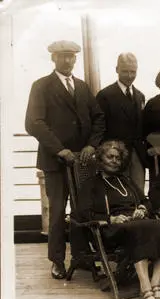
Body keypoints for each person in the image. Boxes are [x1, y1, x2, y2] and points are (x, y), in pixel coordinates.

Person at [25, 40, 105, 280]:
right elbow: (34, 123)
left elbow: (99, 117)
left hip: (82, 163)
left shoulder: (81, 87)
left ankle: (80, 257)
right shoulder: (41, 86)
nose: (67, 61)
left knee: (82, 211)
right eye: (62, 56)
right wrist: (60, 150)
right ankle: (57, 261)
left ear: (75, 59)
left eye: (71, 56)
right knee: (58, 212)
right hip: (55, 163)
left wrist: (92, 145)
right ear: (53, 59)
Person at [73, 140, 160, 299]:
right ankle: (146, 289)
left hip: (135, 223)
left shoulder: (126, 181)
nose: (114, 161)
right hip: (109, 230)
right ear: (100, 160)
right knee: (139, 229)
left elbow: (146, 201)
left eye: (117, 158)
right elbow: (83, 212)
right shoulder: (91, 184)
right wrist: (111, 219)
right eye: (110, 157)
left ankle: (156, 285)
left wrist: (141, 208)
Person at [96, 53, 147, 189]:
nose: (130, 75)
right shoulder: (105, 95)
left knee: (138, 191)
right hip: (115, 154)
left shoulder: (140, 96)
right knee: (117, 192)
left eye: (133, 72)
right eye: (125, 71)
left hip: (136, 154)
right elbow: (99, 126)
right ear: (117, 69)